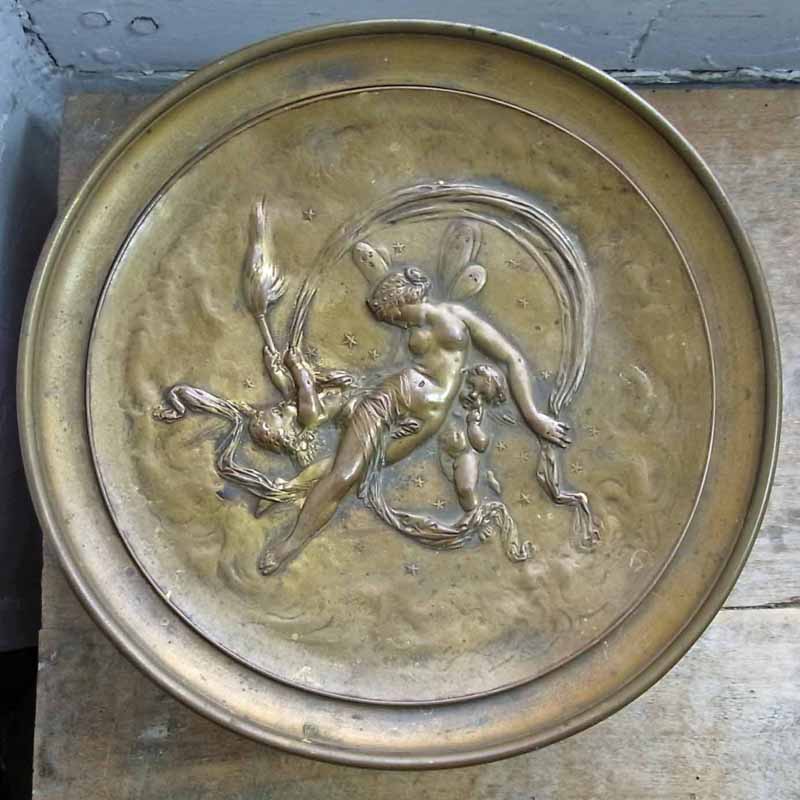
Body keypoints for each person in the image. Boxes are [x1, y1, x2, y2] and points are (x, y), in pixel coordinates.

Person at [257, 265, 570, 574]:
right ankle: (292, 541)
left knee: (351, 470)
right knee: (345, 473)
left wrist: (533, 416)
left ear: (402, 300)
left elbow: (512, 358)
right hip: (391, 399)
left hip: (427, 417)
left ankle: (286, 494)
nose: (395, 322)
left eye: (393, 313)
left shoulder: (452, 315)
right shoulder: (430, 323)